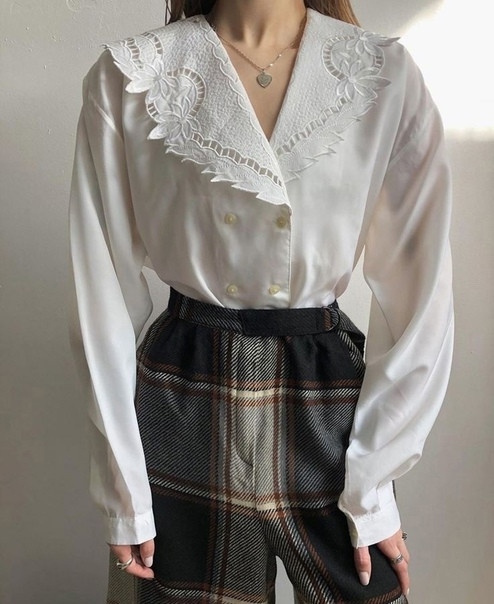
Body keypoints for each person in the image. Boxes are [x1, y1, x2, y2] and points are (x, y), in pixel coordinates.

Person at [67, 0, 454, 602]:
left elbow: (419, 292)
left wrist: (375, 482)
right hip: (184, 401)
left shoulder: (382, 73)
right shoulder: (131, 73)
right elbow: (101, 291)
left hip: (326, 404)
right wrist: (125, 493)